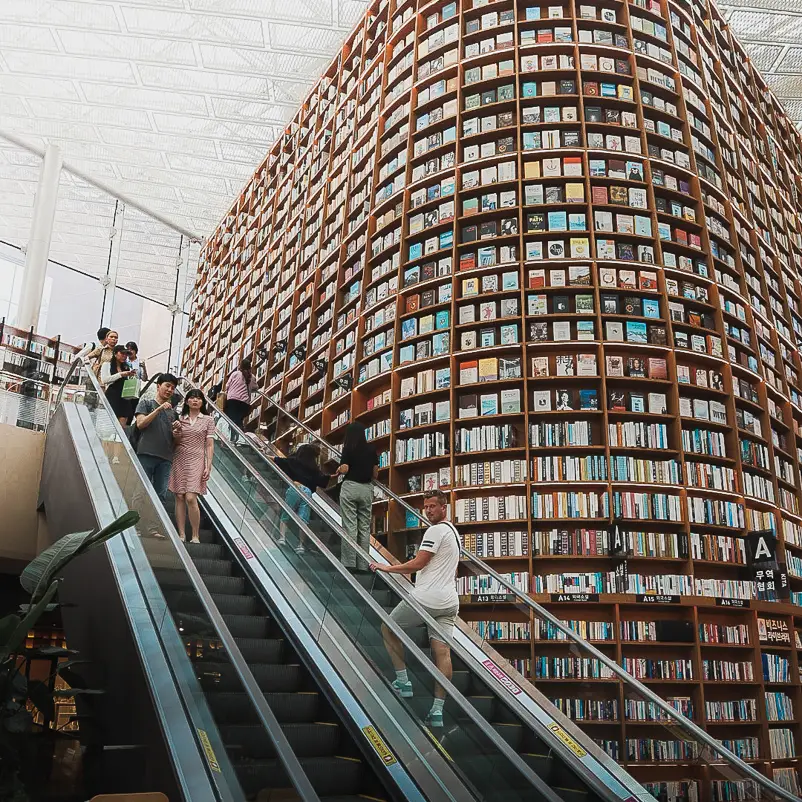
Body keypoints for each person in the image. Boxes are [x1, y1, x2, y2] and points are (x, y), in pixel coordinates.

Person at [370, 490, 460, 729]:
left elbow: (419, 563)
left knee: (388, 627)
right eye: (426, 507)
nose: (428, 511)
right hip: (449, 601)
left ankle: (403, 682)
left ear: (444, 508)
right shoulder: (454, 533)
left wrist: (385, 567)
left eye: (433, 506)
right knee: (443, 653)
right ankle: (438, 711)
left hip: (426, 598)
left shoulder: (435, 530)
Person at [169, 389, 215, 543]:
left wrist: (209, 465)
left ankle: (195, 535)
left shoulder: (208, 420)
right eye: (192, 398)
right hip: (179, 456)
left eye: (198, 398)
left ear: (202, 402)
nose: (195, 400)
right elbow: (175, 441)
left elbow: (209, 445)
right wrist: (176, 432)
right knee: (179, 496)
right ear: (187, 401)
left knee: (190, 497)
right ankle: (181, 534)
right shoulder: (180, 418)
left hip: (197, 458)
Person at [273, 444, 333, 553]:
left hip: (295, 488)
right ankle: (300, 545)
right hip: (307, 492)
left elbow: (276, 460)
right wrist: (337, 474)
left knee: (286, 513)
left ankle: (282, 538)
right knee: (303, 518)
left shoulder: (293, 461)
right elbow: (324, 479)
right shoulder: (314, 468)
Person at [337, 422, 379, 571]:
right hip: (366, 489)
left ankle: (349, 564)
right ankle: (363, 564)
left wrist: (339, 469)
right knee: (364, 527)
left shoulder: (348, 448)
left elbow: (345, 468)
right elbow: (375, 474)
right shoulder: (371, 449)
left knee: (350, 526)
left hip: (350, 487)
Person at [134, 373, 179, 504]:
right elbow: (140, 424)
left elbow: (176, 441)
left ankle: (155, 525)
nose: (170, 390)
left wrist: (178, 433)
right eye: (167, 386)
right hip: (146, 454)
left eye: (173, 387)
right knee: (140, 492)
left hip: (165, 459)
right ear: (158, 386)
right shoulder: (146, 403)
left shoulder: (174, 413)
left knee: (160, 496)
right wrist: (158, 409)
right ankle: (135, 523)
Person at [100, 344, 137, 425]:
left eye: (126, 354)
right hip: (112, 395)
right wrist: (121, 374)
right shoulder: (107, 364)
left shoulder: (126, 367)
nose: (124, 356)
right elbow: (105, 380)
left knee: (122, 424)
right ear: (115, 353)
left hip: (124, 396)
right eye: (122, 353)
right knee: (110, 423)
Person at [224, 357, 257, 434]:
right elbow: (256, 387)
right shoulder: (252, 377)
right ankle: (240, 435)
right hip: (245, 404)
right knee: (238, 420)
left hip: (232, 401)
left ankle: (233, 437)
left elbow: (227, 386)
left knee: (231, 420)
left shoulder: (235, 374)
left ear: (240, 366)